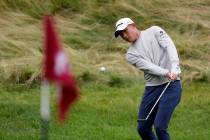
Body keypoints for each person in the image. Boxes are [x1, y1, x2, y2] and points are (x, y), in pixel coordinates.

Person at [114, 17, 182, 140]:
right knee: (143, 128)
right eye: (121, 34)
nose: (124, 35)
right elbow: (149, 67)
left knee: (160, 127)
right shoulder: (130, 54)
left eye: (125, 31)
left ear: (133, 25)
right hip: (152, 89)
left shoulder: (154, 31)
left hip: (171, 86)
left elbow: (169, 46)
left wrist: (175, 66)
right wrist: (166, 72)